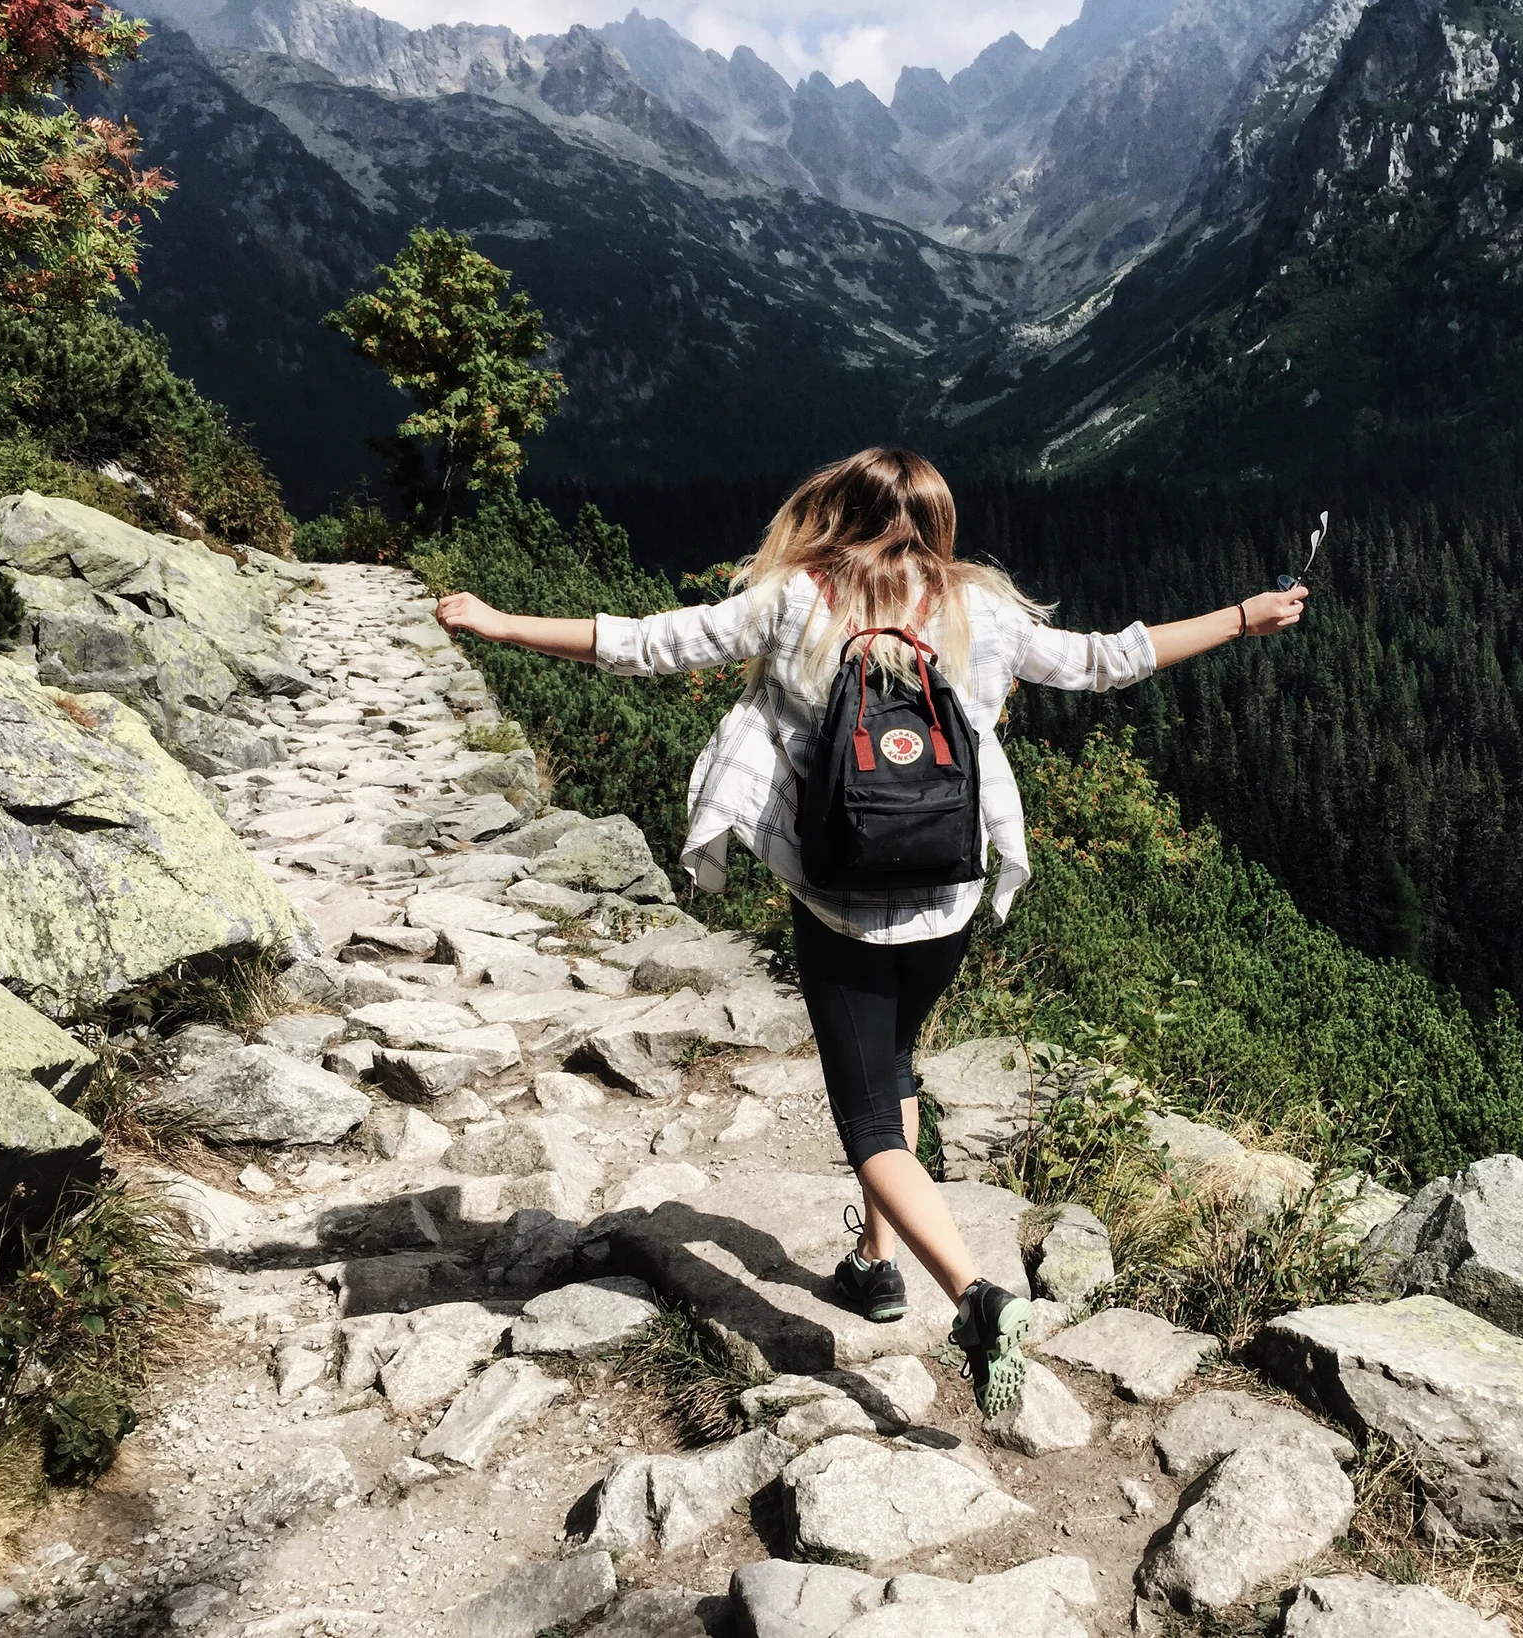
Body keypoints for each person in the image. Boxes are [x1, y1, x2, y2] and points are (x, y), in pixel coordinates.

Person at [434, 447, 1307, 1415]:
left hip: (840, 899)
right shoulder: (981, 608)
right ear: (937, 522)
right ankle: (871, 1261)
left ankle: (974, 1298)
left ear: (833, 514)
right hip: (945, 892)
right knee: (895, 1067)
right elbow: (1108, 662)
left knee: (862, 1113)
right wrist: (1242, 615)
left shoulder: (790, 599)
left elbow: (646, 642)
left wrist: (500, 622)